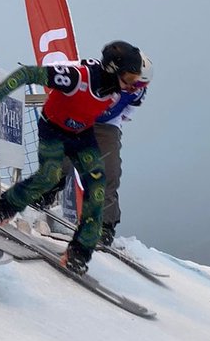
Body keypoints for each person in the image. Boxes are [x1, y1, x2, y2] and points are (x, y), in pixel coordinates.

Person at [0, 41, 144, 275]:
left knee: (97, 187)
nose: (132, 85)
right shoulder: (77, 77)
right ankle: (1, 209)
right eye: (129, 78)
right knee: (50, 175)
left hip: (82, 134)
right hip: (54, 128)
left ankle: (79, 253)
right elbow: (28, 74)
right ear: (113, 69)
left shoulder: (119, 90)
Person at [39, 51, 152, 248]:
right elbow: (59, 69)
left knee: (109, 170)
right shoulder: (92, 70)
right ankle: (44, 192)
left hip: (107, 124)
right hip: (77, 116)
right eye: (134, 82)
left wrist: (114, 124)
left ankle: (105, 224)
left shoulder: (137, 93)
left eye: (141, 85)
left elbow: (128, 111)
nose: (135, 87)